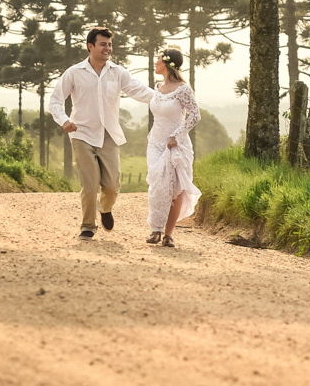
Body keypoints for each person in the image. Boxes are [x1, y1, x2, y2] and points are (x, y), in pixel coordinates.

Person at [49, 27, 154, 239]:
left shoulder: (118, 72)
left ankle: (104, 208)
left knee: (113, 186)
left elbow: (139, 90)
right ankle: (87, 226)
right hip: (81, 133)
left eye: (109, 44)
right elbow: (55, 100)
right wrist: (64, 120)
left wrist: (164, 98)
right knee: (89, 184)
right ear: (91, 47)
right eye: (103, 44)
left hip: (108, 135)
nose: (108, 48)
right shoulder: (74, 73)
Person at [145, 47, 201, 248]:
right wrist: (152, 136)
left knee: (175, 190)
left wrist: (176, 136)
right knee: (158, 186)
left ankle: (168, 234)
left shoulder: (183, 89)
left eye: (158, 59)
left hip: (176, 145)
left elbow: (195, 115)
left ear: (167, 64)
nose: (155, 63)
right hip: (155, 143)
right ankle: (155, 230)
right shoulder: (157, 87)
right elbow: (158, 116)